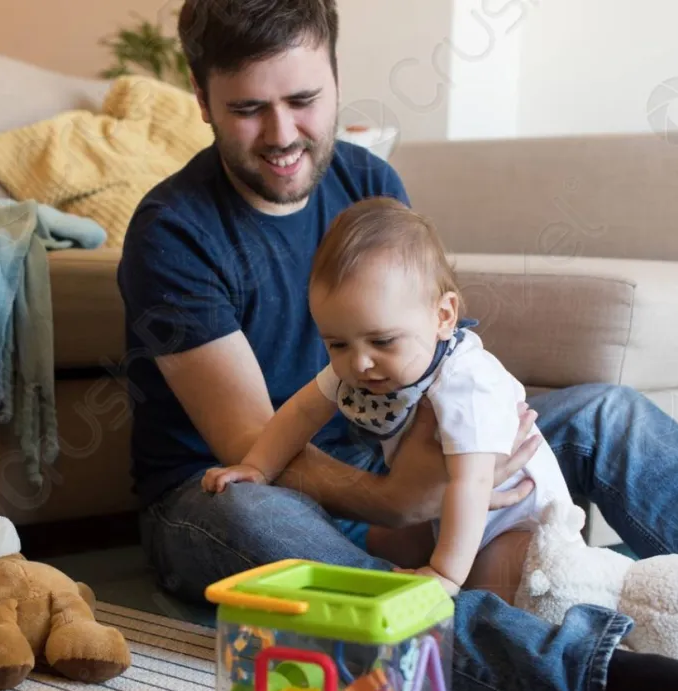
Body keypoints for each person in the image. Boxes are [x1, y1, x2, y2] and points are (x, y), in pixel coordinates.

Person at [116, 0, 678, 691]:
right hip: (235, 491)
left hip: (390, 449)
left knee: (604, 414)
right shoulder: (173, 231)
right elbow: (250, 443)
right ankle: (620, 676)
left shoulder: (367, 182)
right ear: (201, 100)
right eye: (247, 109)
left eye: (303, 101)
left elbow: (439, 354)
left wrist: (464, 460)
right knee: (251, 511)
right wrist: (402, 499)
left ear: (335, 76)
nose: (282, 135)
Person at [200, 196, 577, 599]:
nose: (360, 363)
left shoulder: (467, 382)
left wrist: (444, 573)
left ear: (443, 317)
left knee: (492, 582)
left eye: (382, 340)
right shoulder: (362, 357)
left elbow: (473, 483)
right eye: (336, 344)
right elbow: (302, 410)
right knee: (383, 542)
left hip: (514, 520)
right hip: (439, 509)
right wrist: (258, 467)